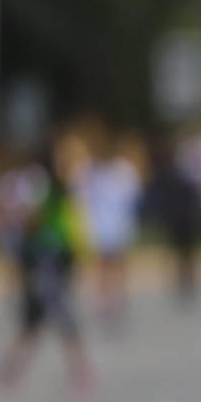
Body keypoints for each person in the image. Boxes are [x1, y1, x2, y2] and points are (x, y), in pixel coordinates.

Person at [0, 135, 96, 397]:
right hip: (54, 256)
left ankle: (80, 372)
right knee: (38, 315)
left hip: (46, 256)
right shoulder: (57, 184)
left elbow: (31, 217)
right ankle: (13, 369)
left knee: (53, 312)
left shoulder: (41, 181)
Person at [77, 135, 143, 330]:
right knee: (101, 267)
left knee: (118, 266)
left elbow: (132, 198)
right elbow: (81, 200)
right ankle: (103, 302)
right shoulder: (87, 171)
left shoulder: (124, 170)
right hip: (98, 228)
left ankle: (117, 300)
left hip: (119, 226)